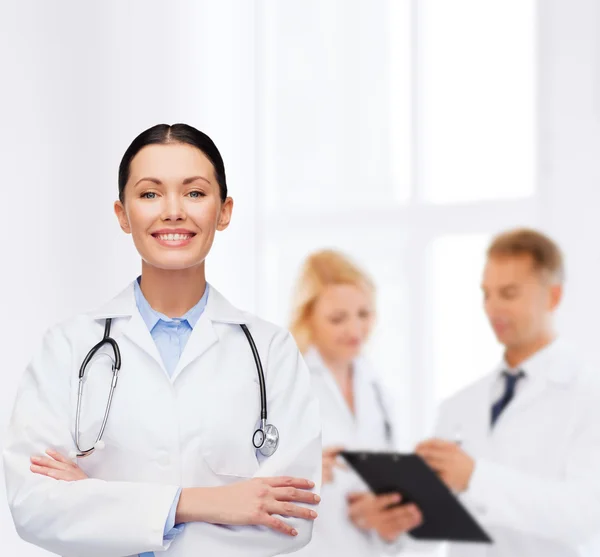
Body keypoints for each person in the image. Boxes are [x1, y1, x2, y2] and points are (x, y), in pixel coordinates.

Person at [3, 123, 322, 557]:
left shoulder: (271, 352)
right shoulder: (67, 348)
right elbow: (34, 505)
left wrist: (103, 502)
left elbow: (291, 516)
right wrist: (202, 503)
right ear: (122, 214)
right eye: (150, 193)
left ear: (224, 211)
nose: (173, 211)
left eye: (194, 193)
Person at [416, 228, 600, 556]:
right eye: (486, 294)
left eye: (509, 293)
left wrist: (476, 478)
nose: (492, 308)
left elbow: (586, 514)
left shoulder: (588, 395)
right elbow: (435, 523)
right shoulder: (458, 405)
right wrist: (397, 515)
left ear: (553, 297)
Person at [289, 250, 422, 557]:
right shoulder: (284, 385)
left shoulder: (378, 390)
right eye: (338, 318)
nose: (355, 330)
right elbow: (251, 486)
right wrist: (299, 470)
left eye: (364, 314)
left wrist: (382, 519)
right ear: (308, 316)